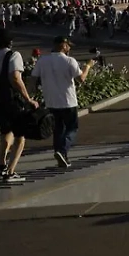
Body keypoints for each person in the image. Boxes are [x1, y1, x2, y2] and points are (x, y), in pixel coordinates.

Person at [0, 28, 37, 183]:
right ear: (10, 42)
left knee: (6, 131)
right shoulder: (13, 55)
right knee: (20, 137)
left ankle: (1, 163)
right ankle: (10, 171)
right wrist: (28, 99)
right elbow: (16, 78)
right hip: (10, 101)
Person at [34, 35, 95, 168]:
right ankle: (63, 150)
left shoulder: (42, 60)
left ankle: (61, 154)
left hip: (51, 101)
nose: (69, 48)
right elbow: (81, 79)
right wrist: (88, 66)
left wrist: (30, 96)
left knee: (58, 129)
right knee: (72, 128)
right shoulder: (69, 61)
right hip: (68, 101)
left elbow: (33, 79)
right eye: (68, 46)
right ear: (63, 46)